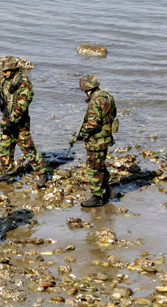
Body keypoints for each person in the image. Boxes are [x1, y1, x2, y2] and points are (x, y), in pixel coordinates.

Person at [0, 56, 48, 188]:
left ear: (14, 69)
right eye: (3, 71)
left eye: (7, 71)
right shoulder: (5, 79)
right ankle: (8, 172)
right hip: (7, 118)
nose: (4, 73)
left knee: (27, 148)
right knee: (5, 147)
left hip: (20, 122)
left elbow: (22, 104)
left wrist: (13, 120)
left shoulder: (24, 83)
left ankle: (42, 173)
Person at [70, 74, 117, 207]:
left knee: (93, 168)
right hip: (106, 136)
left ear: (86, 89)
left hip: (96, 139)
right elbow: (112, 114)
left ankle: (97, 197)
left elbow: (93, 123)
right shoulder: (107, 96)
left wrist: (81, 134)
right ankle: (109, 189)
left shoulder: (95, 101)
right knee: (100, 164)